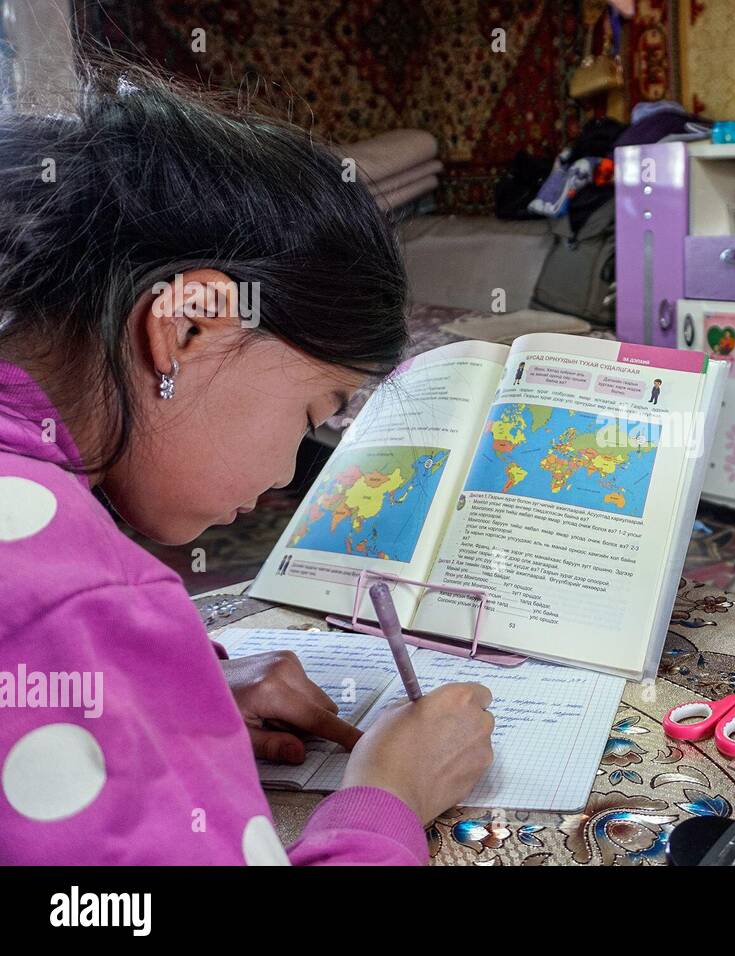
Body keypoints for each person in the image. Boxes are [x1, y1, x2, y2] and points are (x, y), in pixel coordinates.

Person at [0, 64, 494, 864]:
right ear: (190, 326)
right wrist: (385, 799)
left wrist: (148, 696)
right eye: (312, 415)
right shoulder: (70, 593)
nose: (283, 477)